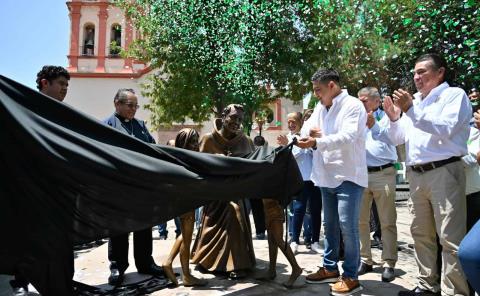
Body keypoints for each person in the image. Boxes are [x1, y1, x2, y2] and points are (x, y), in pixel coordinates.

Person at [371, 53, 471, 296]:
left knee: (450, 238)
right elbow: (397, 139)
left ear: (440, 73)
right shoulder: (415, 101)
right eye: (415, 73)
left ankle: (454, 292)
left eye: (423, 72)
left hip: (444, 171)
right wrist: (395, 119)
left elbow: (445, 129)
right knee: (421, 234)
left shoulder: (453, 95)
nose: (417, 77)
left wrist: (411, 110)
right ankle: (427, 286)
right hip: (417, 176)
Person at [297, 68, 367, 295]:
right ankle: (329, 268)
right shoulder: (320, 107)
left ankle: (351, 276)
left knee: (348, 228)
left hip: (347, 176)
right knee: (330, 226)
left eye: (318, 90)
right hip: (325, 176)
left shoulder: (353, 105)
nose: (316, 95)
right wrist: (301, 139)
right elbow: (306, 131)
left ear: (332, 86)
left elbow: (348, 137)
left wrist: (318, 141)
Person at [9, 65, 71, 296]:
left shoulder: (63, 114)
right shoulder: (23, 107)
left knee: (59, 241)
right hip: (28, 187)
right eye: (61, 85)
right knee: (26, 236)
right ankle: (21, 282)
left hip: (57, 190)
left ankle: (61, 281)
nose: (65, 90)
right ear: (45, 83)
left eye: (67, 86)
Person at [104, 88, 164, 286]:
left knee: (144, 227)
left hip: (141, 187)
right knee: (119, 229)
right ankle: (117, 266)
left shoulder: (141, 126)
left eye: (136, 106)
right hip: (118, 188)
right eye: (130, 105)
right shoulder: (106, 126)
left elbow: (152, 147)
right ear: (117, 104)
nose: (134, 110)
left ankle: (145, 262)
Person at [191, 104, 256, 279]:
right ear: (224, 117)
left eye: (240, 119)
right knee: (224, 217)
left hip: (236, 193)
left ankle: (238, 263)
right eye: (234, 117)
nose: (237, 122)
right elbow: (199, 167)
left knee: (235, 214)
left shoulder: (246, 141)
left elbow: (253, 168)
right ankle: (208, 259)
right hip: (215, 194)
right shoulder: (208, 139)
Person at [357, 86, 398, 282]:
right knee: (361, 221)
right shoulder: (357, 120)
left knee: (387, 221)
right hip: (362, 175)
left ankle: (389, 262)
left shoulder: (389, 117)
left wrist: (373, 125)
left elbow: (392, 139)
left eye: (364, 100)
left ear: (376, 101)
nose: (361, 103)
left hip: (384, 173)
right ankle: (366, 259)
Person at [162, 129, 208, 287]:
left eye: (196, 141)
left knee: (184, 235)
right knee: (187, 240)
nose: (196, 145)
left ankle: (168, 262)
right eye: (192, 141)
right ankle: (187, 276)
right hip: (185, 203)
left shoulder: (180, 157)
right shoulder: (183, 159)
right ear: (184, 143)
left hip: (186, 202)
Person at [277, 112, 322, 254]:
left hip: (314, 179)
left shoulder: (308, 136)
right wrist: (290, 145)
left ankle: (315, 241)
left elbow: (316, 152)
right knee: (298, 210)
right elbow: (291, 157)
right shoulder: (287, 139)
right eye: (289, 121)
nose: (291, 124)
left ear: (301, 121)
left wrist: (306, 143)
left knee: (315, 210)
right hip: (298, 180)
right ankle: (295, 240)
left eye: (294, 121)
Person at [158, 139, 182, 240]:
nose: (174, 147)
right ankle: (162, 234)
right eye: (172, 145)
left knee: (178, 214)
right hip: (164, 191)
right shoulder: (162, 159)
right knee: (162, 214)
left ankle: (179, 232)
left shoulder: (180, 159)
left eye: (175, 145)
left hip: (177, 191)